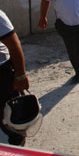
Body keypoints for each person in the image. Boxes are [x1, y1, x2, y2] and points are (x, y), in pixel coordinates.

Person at [0, 10, 30, 146]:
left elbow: (13, 45)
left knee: (10, 114)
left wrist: (20, 75)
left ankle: (16, 141)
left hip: (2, 74)